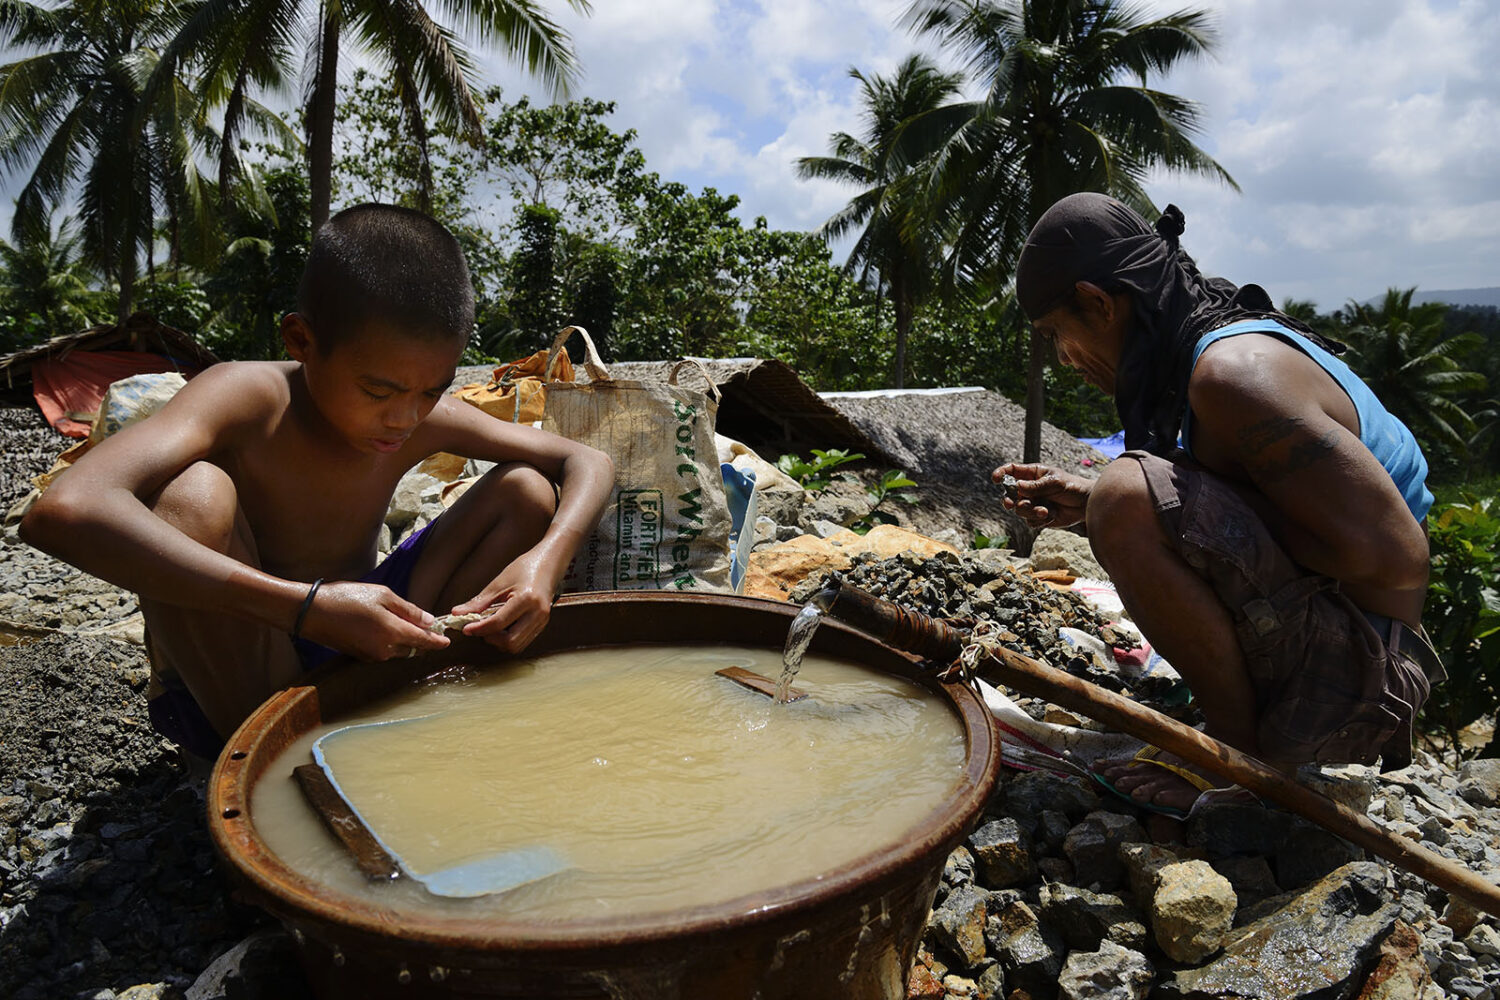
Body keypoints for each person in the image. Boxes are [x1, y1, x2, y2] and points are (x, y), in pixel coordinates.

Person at [20, 204, 614, 761]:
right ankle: (281, 759)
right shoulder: (244, 398)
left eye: (431, 390)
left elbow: (587, 463)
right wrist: (304, 608)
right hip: (244, 664)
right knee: (193, 496)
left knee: (525, 492)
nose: (405, 418)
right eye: (378, 391)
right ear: (301, 341)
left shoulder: (421, 417)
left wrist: (544, 565)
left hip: (372, 635)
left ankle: (419, 702)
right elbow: (62, 510)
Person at [994, 192, 1443, 817]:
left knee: (1127, 496)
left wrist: (1129, 508)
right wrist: (1093, 496)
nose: (1065, 360)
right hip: (1342, 639)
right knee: (1116, 493)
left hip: (1366, 680)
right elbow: (1271, 498)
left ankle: (1241, 758)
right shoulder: (1212, 338)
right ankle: (1243, 729)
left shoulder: (1230, 375)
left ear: (1097, 303)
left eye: (1057, 337)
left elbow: (1399, 558)